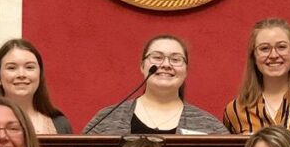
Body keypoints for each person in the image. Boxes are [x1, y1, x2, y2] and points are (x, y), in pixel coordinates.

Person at [83, 34, 228, 135]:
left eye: (176, 59)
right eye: (157, 57)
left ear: (186, 70)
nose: (166, 64)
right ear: (142, 66)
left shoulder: (210, 126)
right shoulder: (107, 119)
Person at [222, 18, 290, 135]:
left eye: (281, 47)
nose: (274, 55)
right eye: (264, 48)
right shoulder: (234, 111)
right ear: (254, 56)